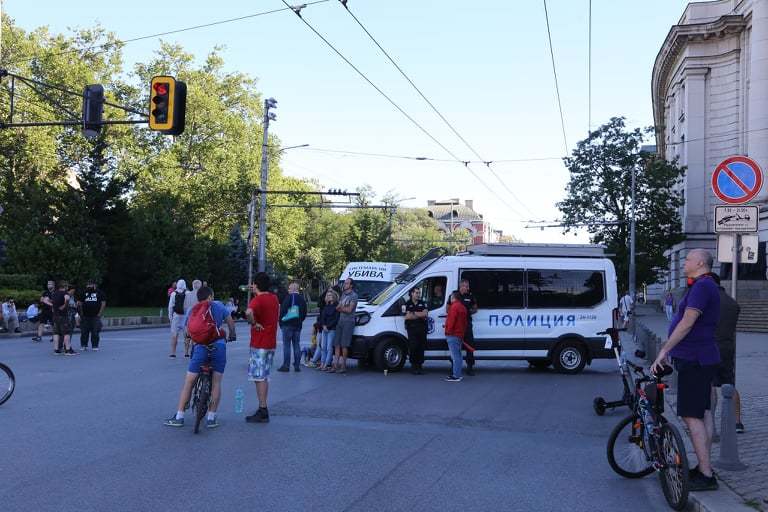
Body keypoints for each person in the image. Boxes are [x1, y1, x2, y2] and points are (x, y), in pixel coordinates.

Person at [651, 249, 720, 492]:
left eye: (688, 259)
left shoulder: (702, 287)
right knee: (703, 413)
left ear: (701, 263)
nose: (684, 263)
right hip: (702, 358)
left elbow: (687, 321)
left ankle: (706, 474)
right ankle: (705, 467)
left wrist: (664, 350)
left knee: (692, 416)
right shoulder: (706, 285)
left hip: (694, 359)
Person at [164, 286, 236, 429]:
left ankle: (179, 416)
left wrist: (192, 340)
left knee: (189, 382)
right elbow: (230, 322)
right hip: (218, 347)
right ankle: (211, 418)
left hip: (200, 347)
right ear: (210, 296)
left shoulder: (193, 310)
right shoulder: (219, 306)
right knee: (216, 382)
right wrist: (232, 334)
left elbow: (187, 331)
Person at [710, 273, 745, 434]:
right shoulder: (732, 302)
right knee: (729, 384)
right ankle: (737, 422)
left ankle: (711, 425)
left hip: (709, 347)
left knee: (709, 386)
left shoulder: (708, 300)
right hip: (727, 347)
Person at [245, 272, 280, 423]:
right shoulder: (274, 298)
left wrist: (254, 323)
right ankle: (263, 407)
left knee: (258, 377)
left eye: (253, 284)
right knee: (264, 376)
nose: (252, 286)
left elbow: (248, 312)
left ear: (257, 285)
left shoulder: (257, 300)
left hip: (259, 343)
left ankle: (263, 408)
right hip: (271, 343)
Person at [277, 282, 308, 372]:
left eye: (289, 288)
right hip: (298, 325)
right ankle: (297, 365)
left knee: (287, 345)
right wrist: (300, 320)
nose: (288, 290)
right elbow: (304, 313)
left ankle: (286, 366)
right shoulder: (302, 299)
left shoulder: (288, 298)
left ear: (294, 289)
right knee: (296, 345)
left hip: (287, 325)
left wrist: (281, 323)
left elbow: (282, 311)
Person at [332, 278, 358, 374]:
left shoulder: (354, 296)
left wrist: (341, 308)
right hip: (340, 321)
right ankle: (335, 365)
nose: (344, 285)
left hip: (348, 322)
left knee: (344, 344)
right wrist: (342, 308)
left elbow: (349, 310)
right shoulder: (343, 295)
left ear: (351, 285)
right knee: (337, 344)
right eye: (345, 283)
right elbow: (337, 307)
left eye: (347, 283)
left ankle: (343, 366)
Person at [404, 287, 428, 375]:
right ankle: (413, 366)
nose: (418, 295)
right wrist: (419, 314)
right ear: (412, 294)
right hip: (412, 329)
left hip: (422, 328)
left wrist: (413, 313)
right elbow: (407, 316)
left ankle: (420, 366)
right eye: (416, 293)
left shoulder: (423, 303)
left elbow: (425, 314)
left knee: (421, 347)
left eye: (419, 293)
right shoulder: (407, 303)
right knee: (413, 347)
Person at [457, 278, 478, 375]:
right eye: (465, 286)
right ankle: (456, 366)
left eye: (467, 286)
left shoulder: (470, 296)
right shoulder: (454, 295)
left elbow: (475, 308)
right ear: (461, 286)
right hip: (457, 325)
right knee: (456, 346)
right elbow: (448, 308)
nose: (467, 288)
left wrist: (468, 311)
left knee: (469, 346)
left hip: (467, 324)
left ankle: (470, 367)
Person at [445, 291, 468, 382]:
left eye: (451, 297)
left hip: (453, 334)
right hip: (459, 334)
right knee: (458, 355)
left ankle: (456, 375)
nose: (450, 299)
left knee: (455, 356)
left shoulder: (454, 307)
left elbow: (451, 321)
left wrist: (447, 332)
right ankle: (457, 373)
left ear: (453, 297)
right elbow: (465, 322)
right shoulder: (462, 307)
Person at [78, 279, 106, 351]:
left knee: (95, 331)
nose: (88, 286)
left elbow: (103, 304)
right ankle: (84, 345)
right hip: (85, 315)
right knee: (84, 331)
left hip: (95, 316)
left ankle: (95, 345)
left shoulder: (100, 293)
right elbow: (80, 303)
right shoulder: (83, 292)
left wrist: (99, 314)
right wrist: (81, 314)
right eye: (87, 284)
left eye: (90, 284)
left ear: (94, 285)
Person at [51, 280, 76, 355]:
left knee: (56, 333)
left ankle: (56, 350)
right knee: (66, 333)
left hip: (55, 315)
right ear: (65, 286)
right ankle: (67, 350)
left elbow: (50, 301)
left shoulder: (54, 293)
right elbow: (67, 298)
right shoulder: (65, 293)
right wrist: (65, 305)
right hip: (63, 316)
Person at [318, 289, 339, 371]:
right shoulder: (326, 306)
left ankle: (327, 364)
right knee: (323, 347)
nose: (328, 296)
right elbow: (322, 317)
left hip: (332, 329)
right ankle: (322, 363)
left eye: (330, 295)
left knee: (329, 347)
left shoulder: (337, 306)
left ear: (334, 296)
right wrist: (323, 325)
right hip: (324, 329)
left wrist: (328, 326)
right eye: (327, 295)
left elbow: (336, 319)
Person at [167, 279, 189, 358]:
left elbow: (170, 307)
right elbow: (190, 307)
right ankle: (186, 353)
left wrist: (170, 317)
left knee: (174, 335)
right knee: (186, 335)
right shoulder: (188, 293)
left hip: (176, 316)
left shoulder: (173, 294)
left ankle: (173, 353)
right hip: (185, 316)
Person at [182, 279, 203, 358]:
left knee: (187, 335)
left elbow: (184, 307)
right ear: (200, 286)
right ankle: (194, 350)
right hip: (198, 317)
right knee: (195, 335)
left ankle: (186, 352)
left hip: (188, 316)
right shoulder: (201, 295)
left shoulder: (188, 294)